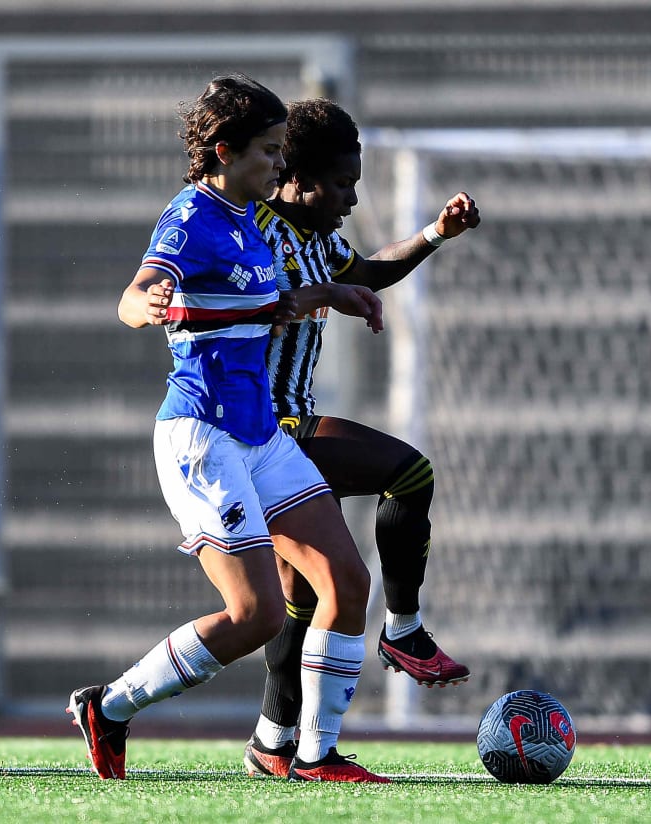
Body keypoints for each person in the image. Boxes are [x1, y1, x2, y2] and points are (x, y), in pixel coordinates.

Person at [66, 74, 390, 783]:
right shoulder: (191, 217)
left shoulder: (248, 219)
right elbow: (137, 292)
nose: (280, 164)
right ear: (224, 150)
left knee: (345, 581)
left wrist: (329, 291)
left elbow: (266, 304)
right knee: (257, 615)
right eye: (270, 151)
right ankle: (111, 706)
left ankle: (315, 755)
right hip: (202, 437)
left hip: (260, 434)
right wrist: (142, 303)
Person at [248, 99, 480, 777]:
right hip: (262, 429)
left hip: (282, 426)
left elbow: (368, 271)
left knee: (302, 598)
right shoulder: (256, 231)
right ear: (299, 176)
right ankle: (403, 630)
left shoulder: (316, 236)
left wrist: (433, 234)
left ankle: (271, 741)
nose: (353, 196)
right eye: (344, 183)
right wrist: (315, 297)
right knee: (408, 473)